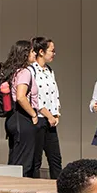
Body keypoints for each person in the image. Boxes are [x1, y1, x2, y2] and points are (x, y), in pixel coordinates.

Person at [0, 40, 43, 177]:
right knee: (24, 165)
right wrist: (33, 114)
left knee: (15, 162)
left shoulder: (11, 71)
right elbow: (21, 97)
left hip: (12, 119)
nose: (35, 54)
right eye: (32, 51)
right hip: (23, 119)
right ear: (25, 53)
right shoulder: (25, 72)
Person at [31, 37, 63, 179]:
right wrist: (48, 115)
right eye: (52, 50)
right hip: (39, 119)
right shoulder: (31, 70)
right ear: (41, 52)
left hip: (51, 120)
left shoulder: (50, 70)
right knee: (36, 159)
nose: (54, 53)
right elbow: (34, 97)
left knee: (55, 158)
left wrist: (56, 114)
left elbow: (54, 94)